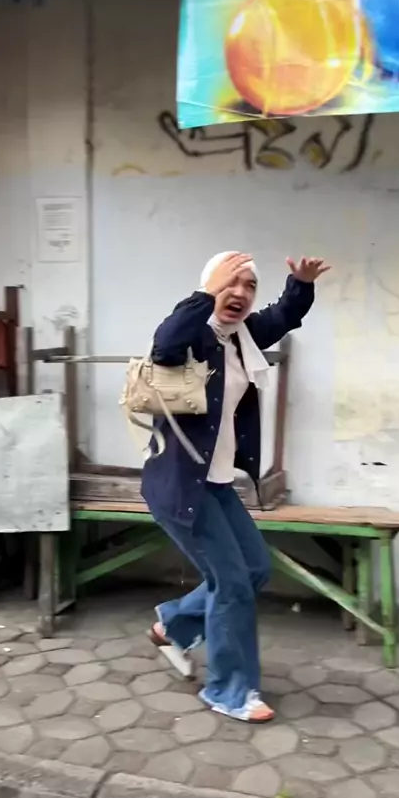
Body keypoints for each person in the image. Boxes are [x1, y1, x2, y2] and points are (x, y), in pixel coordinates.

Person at [141, 251, 330, 723]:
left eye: (249, 285)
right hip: (183, 486)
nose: (240, 293)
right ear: (209, 287)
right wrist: (206, 295)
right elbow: (164, 343)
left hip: (218, 484)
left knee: (255, 569)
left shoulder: (241, 337)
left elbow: (284, 315)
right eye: (231, 282)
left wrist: (300, 283)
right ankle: (229, 690)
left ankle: (175, 623)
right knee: (232, 585)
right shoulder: (192, 336)